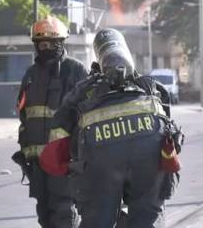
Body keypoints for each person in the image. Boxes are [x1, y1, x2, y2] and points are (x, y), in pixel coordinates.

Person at [40, 28, 182, 228]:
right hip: (148, 158)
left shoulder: (86, 89)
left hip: (100, 162)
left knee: (98, 220)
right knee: (147, 217)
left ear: (99, 57)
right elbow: (168, 124)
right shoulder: (150, 86)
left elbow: (61, 125)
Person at [14, 16, 88, 228]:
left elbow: (86, 115)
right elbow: (24, 115)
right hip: (37, 162)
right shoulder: (30, 75)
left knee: (64, 211)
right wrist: (25, 151)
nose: (45, 47)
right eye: (41, 43)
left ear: (61, 43)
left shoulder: (75, 71)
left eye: (50, 43)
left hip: (64, 159)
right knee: (44, 214)